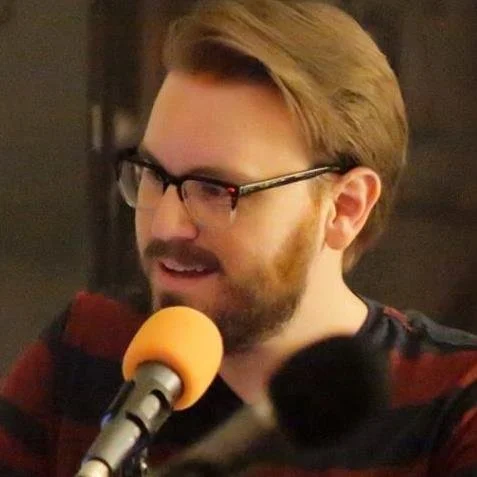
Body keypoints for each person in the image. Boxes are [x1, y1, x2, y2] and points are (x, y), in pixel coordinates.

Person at [1, 0, 477, 476]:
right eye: (153, 175)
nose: (166, 225)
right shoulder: (87, 345)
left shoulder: (453, 401)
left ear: (346, 207)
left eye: (216, 190)